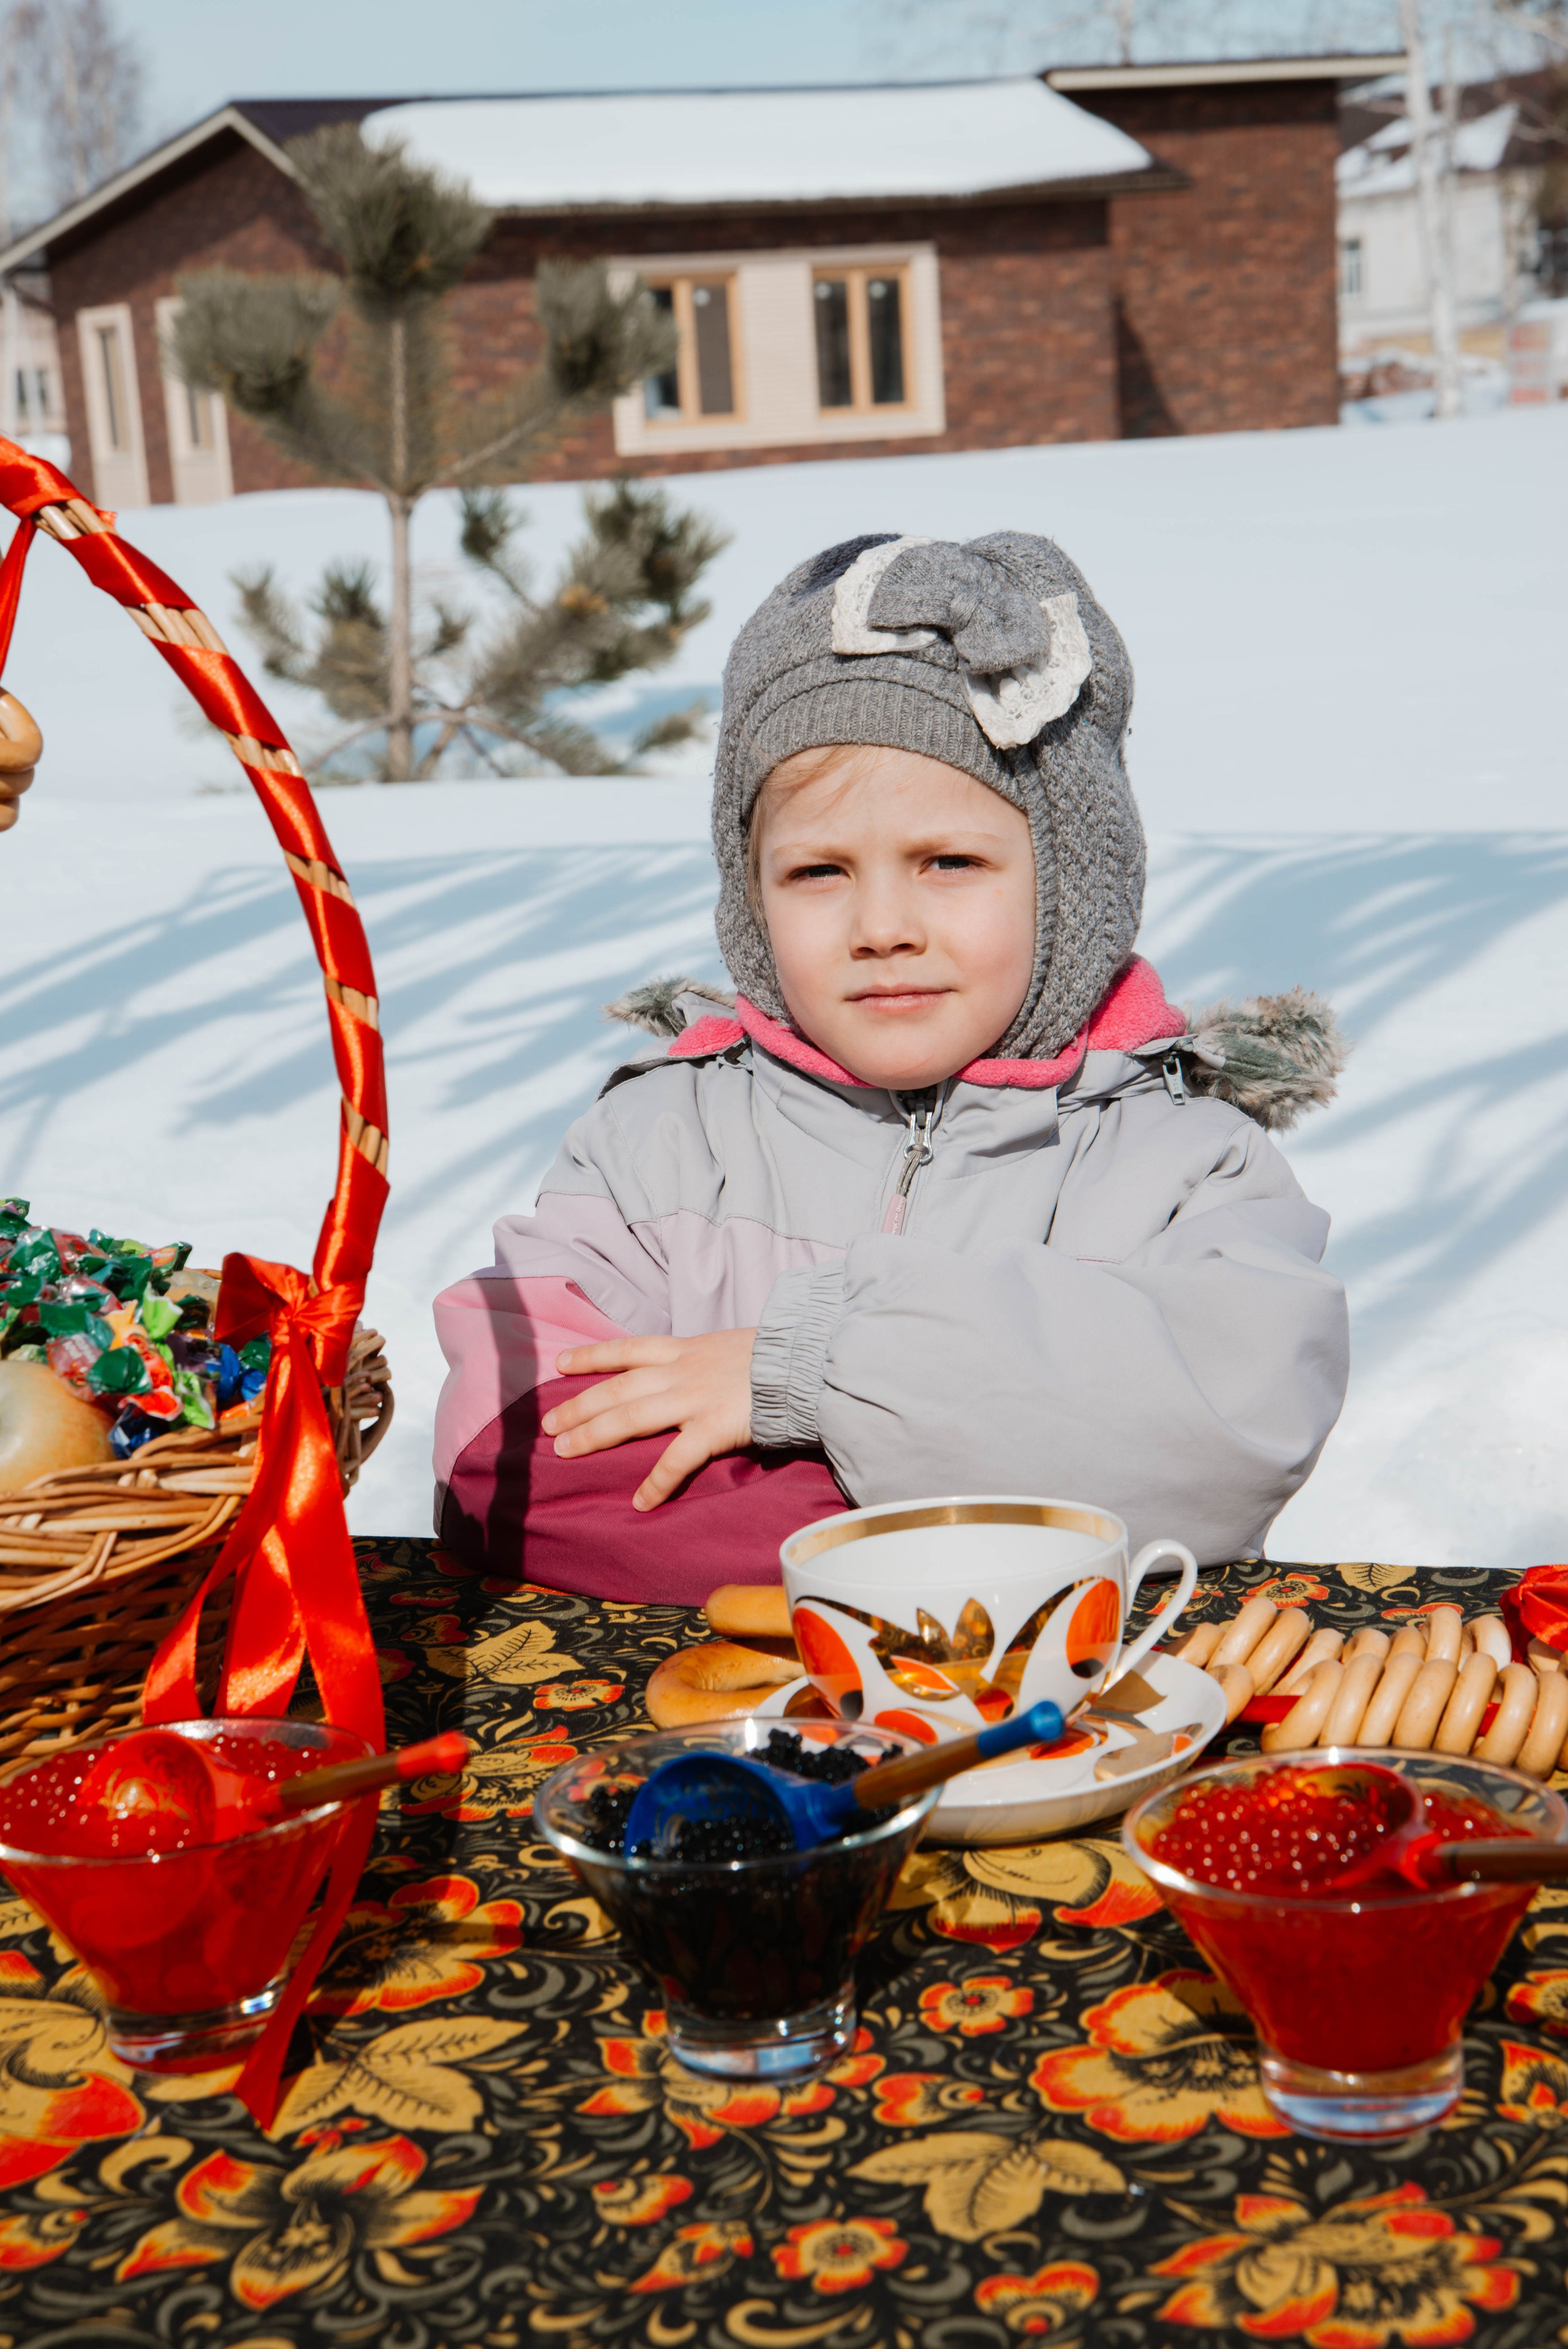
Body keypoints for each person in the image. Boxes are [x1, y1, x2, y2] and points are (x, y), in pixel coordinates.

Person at [432, 531, 1349, 1602]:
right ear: (749, 894)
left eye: (949, 863)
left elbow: (1230, 1440)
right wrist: (988, 1489)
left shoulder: (1181, 1166)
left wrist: (813, 1367)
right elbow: (502, 1457)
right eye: (818, 871)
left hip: (1070, 1731)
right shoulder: (661, 1145)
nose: (881, 926)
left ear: (1070, 883)